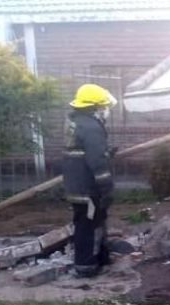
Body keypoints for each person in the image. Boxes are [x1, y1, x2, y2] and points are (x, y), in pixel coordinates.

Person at [62, 83, 117, 278]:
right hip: (88, 189)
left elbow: (82, 152)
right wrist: (106, 188)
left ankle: (101, 258)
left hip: (76, 185)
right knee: (88, 226)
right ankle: (86, 266)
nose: (105, 111)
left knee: (92, 222)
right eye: (103, 107)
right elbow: (97, 162)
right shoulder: (92, 127)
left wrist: (106, 152)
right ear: (94, 107)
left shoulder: (76, 122)